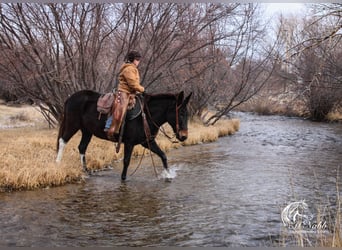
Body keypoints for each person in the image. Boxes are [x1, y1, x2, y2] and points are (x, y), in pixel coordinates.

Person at [105, 50, 145, 138]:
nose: (138, 61)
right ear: (133, 59)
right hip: (124, 92)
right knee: (120, 109)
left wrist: (138, 91)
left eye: (139, 59)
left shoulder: (132, 68)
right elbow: (133, 84)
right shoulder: (129, 69)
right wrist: (142, 89)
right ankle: (109, 127)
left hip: (130, 93)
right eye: (137, 59)